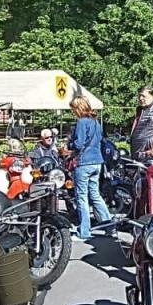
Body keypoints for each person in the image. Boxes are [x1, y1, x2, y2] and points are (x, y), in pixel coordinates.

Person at [67, 96, 112, 240]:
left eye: (73, 109)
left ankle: (84, 231)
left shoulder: (81, 122)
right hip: (97, 161)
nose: (73, 112)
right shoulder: (96, 122)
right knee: (95, 195)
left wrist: (70, 145)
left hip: (84, 162)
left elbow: (79, 144)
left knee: (82, 197)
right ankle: (109, 226)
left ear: (78, 108)